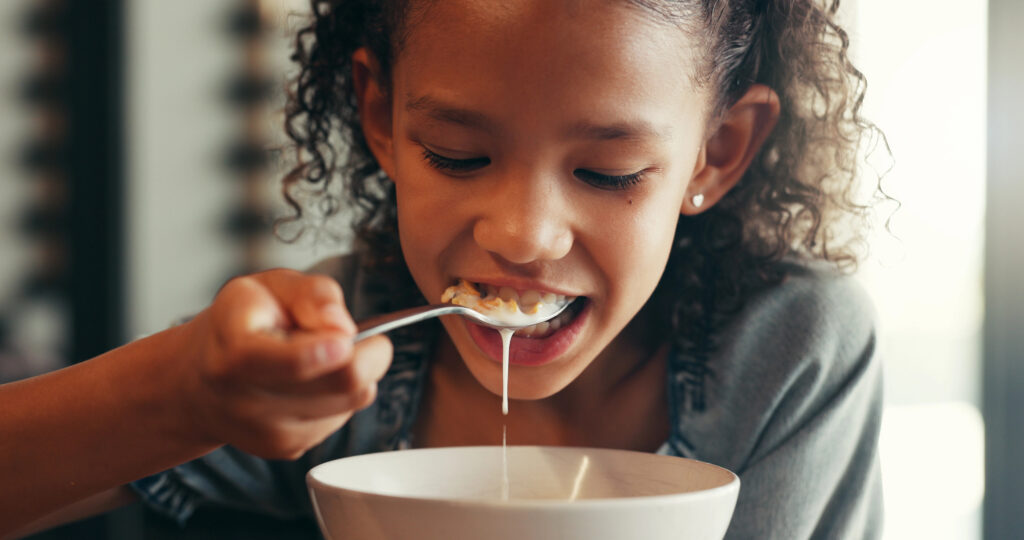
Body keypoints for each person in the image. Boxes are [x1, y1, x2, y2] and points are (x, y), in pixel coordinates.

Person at [0, 0, 886, 538]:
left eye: (608, 172)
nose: (524, 236)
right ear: (380, 118)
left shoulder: (789, 349)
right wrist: (184, 396)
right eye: (459, 156)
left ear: (715, 153)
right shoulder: (340, 343)